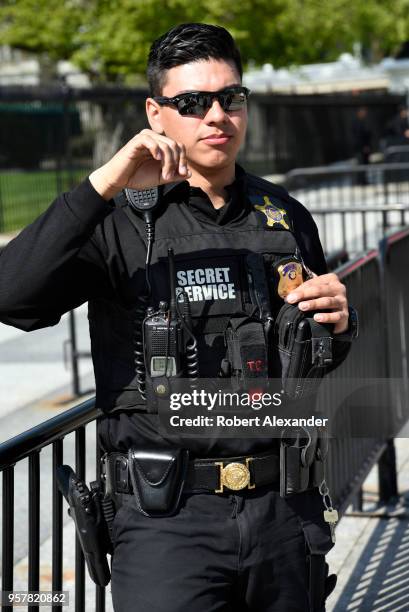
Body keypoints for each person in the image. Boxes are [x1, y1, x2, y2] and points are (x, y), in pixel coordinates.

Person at [0, 23, 356, 612]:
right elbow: (12, 296)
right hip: (166, 524)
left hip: (282, 514)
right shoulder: (117, 221)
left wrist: (339, 325)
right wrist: (104, 184)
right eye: (192, 102)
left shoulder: (284, 215)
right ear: (156, 113)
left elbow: (311, 353)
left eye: (230, 97)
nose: (216, 115)